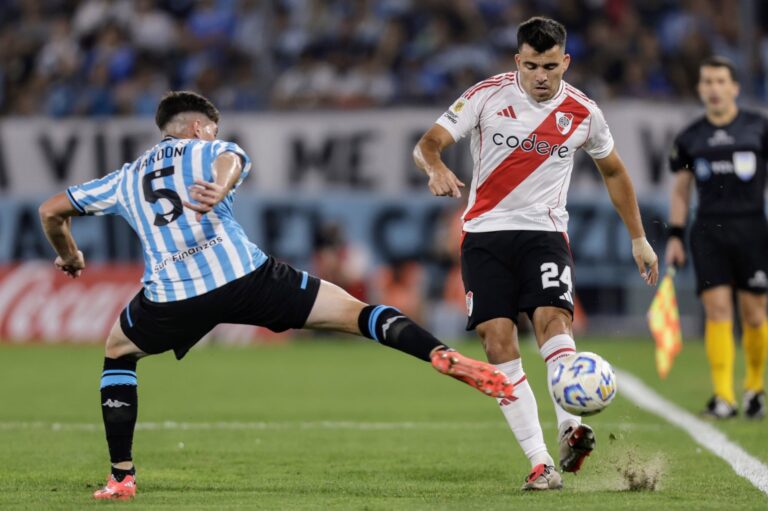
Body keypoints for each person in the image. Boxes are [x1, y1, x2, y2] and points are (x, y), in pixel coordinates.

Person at [38, 91, 515, 501]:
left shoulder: (126, 176)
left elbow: (52, 210)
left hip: (172, 295)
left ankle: (122, 477)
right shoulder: (204, 149)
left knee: (118, 352)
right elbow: (235, 159)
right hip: (248, 277)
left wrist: (72, 254)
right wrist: (221, 186)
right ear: (200, 127)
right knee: (357, 313)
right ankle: (439, 352)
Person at [413, 17, 659, 490]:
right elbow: (428, 143)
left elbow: (614, 173)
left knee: (553, 324)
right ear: (517, 62)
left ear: (565, 61)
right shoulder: (485, 96)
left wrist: (638, 238)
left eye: (550, 66)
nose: (541, 76)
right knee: (497, 341)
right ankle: (541, 462)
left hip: (544, 234)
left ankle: (571, 429)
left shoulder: (584, 112)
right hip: (484, 236)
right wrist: (436, 166)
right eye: (531, 66)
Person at [665, 56, 768, 420]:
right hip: (708, 231)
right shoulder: (691, 137)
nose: (713, 88)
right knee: (717, 310)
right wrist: (675, 235)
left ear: (735, 87)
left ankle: (755, 388)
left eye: (720, 81)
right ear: (699, 90)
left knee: (755, 314)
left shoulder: (758, 128)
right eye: (707, 82)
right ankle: (723, 395)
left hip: (753, 229)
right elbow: (681, 191)